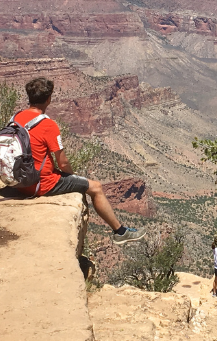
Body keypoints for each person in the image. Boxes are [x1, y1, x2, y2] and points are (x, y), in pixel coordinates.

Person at [14, 77, 145, 245]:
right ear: (49, 99)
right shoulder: (48, 124)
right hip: (40, 184)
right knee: (96, 187)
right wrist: (72, 178)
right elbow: (63, 163)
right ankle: (120, 232)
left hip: (19, 180)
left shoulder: (16, 117)